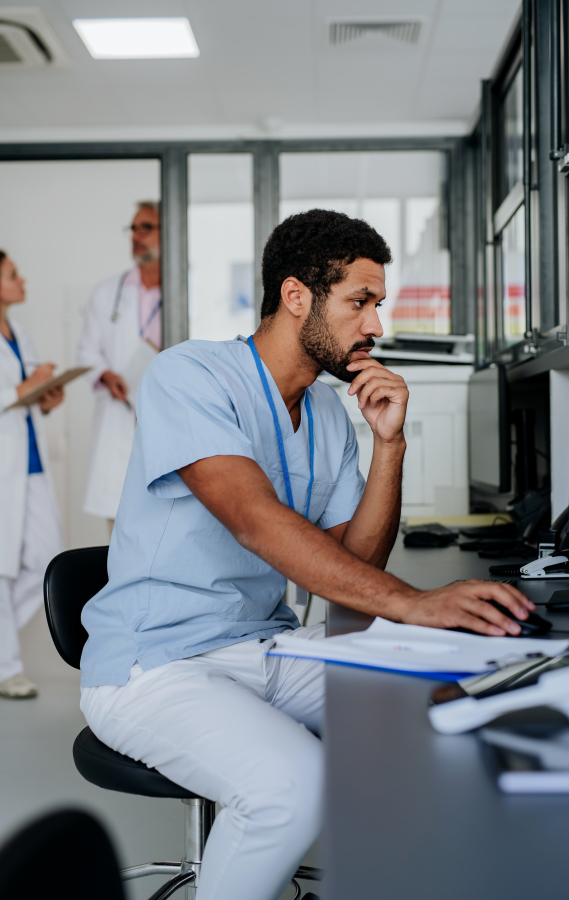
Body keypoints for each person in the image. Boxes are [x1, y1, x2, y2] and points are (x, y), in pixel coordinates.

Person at [79, 210, 534, 900]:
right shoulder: (190, 375)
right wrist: (413, 604)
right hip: (154, 666)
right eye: (360, 301)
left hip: (265, 650)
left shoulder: (325, 412)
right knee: (292, 783)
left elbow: (359, 562)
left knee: (448, 698)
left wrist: (390, 445)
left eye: (376, 304)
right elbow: (256, 522)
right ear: (298, 297)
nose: (375, 325)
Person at [0, 251, 64, 699]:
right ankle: (7, 668)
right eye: (11, 275)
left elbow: (21, 396)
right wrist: (21, 389)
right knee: (0, 568)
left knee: (47, 558)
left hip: (30, 461)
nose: (21, 280)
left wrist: (44, 397)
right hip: (5, 464)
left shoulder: (17, 332)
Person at [77, 201, 162, 533]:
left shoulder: (182, 290)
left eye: (146, 228)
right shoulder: (106, 292)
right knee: (121, 530)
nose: (136, 236)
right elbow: (86, 351)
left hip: (163, 413)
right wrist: (104, 374)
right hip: (121, 412)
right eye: (133, 228)